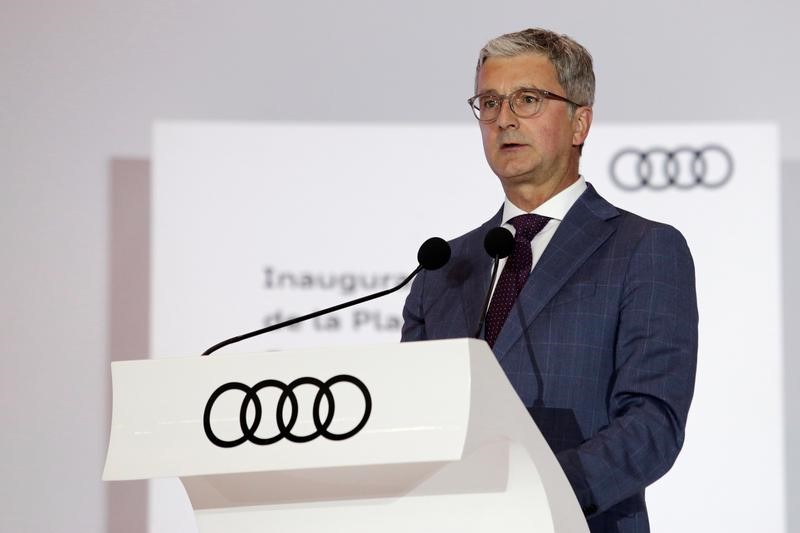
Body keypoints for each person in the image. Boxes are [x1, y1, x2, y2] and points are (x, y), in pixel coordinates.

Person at [401, 28, 698, 533]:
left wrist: (534, 495)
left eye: (528, 99)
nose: (504, 119)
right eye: (489, 102)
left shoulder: (643, 248)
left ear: (580, 122)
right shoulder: (443, 267)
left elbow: (652, 425)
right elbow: (412, 416)